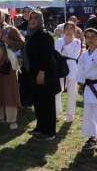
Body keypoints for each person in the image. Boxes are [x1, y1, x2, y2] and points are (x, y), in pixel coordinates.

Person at [25, 10, 60, 140]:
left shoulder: (45, 35)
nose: (33, 20)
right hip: (34, 73)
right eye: (31, 18)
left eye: (36, 18)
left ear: (40, 20)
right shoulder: (32, 34)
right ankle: (40, 127)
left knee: (47, 103)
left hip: (45, 74)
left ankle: (49, 132)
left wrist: (41, 72)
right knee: (38, 102)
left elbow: (47, 56)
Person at [54, 21, 82, 122]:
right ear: (64, 30)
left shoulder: (77, 42)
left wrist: (64, 47)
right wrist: (63, 47)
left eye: (71, 28)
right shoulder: (59, 40)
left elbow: (74, 54)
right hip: (60, 68)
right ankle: (56, 112)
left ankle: (70, 115)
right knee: (57, 91)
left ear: (74, 30)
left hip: (72, 67)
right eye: (67, 28)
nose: (69, 30)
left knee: (72, 92)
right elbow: (56, 54)